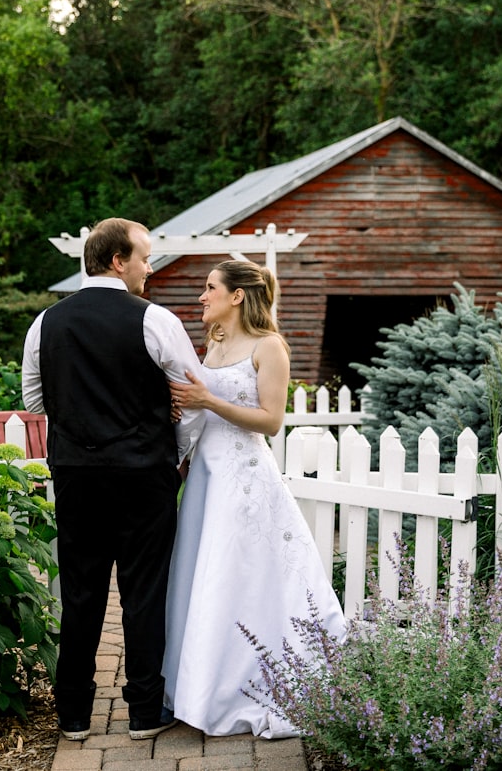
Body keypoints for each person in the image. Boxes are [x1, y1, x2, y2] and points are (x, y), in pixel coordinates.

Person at [21, 218, 205, 742]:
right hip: (144, 475)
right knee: (144, 592)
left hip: (76, 476)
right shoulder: (156, 320)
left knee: (80, 592)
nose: (150, 268)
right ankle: (144, 712)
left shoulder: (45, 323)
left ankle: (74, 714)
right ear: (118, 261)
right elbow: (192, 398)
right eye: (145, 258)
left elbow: (34, 400)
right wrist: (175, 456)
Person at [163, 259, 348, 738]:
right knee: (205, 575)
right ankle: (200, 687)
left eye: (210, 288)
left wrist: (208, 401)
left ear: (237, 295)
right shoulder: (215, 343)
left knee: (242, 575)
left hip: (244, 478)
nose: (202, 296)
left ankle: (248, 687)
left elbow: (270, 421)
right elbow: (201, 413)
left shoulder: (270, 347)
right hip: (205, 475)